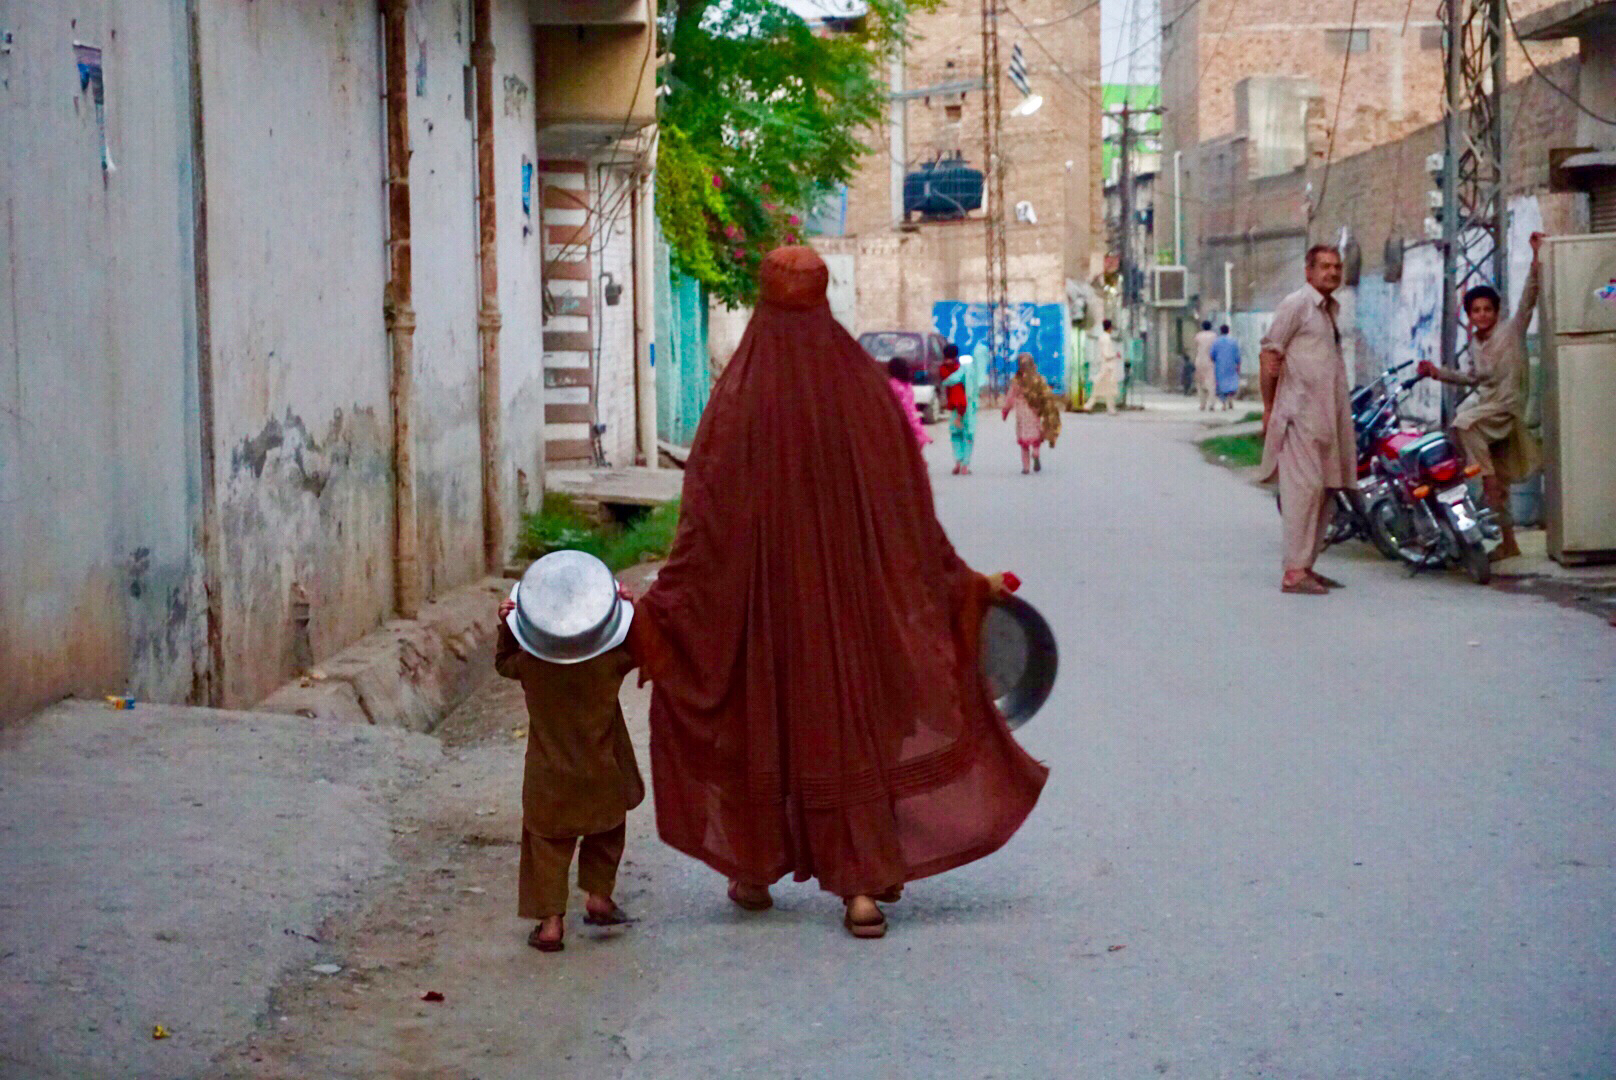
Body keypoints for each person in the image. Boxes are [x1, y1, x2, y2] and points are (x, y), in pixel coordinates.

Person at [629, 247, 1047, 940]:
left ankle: (754, 868)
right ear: (824, 303)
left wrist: (664, 606)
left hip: (763, 612)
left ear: (764, 303)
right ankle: (860, 888)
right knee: (849, 722)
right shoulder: (864, 394)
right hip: (852, 610)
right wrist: (955, 581)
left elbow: (702, 525)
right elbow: (911, 518)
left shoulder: (738, 400)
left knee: (761, 713)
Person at [496, 571, 643, 953]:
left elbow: (503, 661)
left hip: (549, 776)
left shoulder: (530, 665)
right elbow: (642, 649)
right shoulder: (609, 661)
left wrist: (509, 625)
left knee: (546, 843)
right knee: (607, 829)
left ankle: (550, 924)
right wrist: (632, 610)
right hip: (602, 770)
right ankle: (598, 897)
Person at [1418, 231, 1545, 560]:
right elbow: (1472, 378)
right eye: (1476, 310)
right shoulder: (1476, 343)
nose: (1483, 315)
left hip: (1506, 409)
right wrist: (1438, 372)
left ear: (1497, 311)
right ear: (1470, 316)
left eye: (1488, 309)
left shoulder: (1511, 330)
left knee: (1462, 423)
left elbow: (1529, 298)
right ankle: (1509, 542)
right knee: (1500, 485)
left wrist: (1536, 259)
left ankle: (1484, 476)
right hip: (1490, 413)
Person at [1259, 244, 1355, 595]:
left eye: (1336, 267)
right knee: (1304, 491)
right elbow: (1269, 355)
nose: (1332, 273)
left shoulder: (1329, 310)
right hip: (1299, 415)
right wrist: (1269, 408)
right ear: (1308, 271)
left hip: (1328, 414)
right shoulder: (1297, 304)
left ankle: (1307, 566)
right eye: (1325, 267)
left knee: (1327, 489)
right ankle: (1293, 571)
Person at [1001, 352, 1062, 474]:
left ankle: (1026, 467)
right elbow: (1046, 395)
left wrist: (1005, 410)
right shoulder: (1038, 379)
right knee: (1035, 437)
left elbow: (1010, 398)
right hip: (1034, 412)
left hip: (1021, 414)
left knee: (1024, 443)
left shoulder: (1016, 381)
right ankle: (1036, 452)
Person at [939, 340, 985, 474]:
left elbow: (946, 379)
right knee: (968, 435)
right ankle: (965, 465)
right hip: (965, 407)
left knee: (955, 435)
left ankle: (958, 461)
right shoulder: (964, 369)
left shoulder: (945, 369)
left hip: (956, 408)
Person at [886, 355, 933, 450]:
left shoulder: (892, 385)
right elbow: (909, 410)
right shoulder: (905, 386)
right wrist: (920, 432)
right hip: (907, 426)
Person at [1088, 319, 1123, 414]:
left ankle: (1090, 406)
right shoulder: (1107, 339)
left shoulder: (1102, 337)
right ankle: (1109, 409)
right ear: (1110, 328)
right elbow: (1107, 354)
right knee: (1108, 389)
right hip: (1108, 369)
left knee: (1101, 389)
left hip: (1105, 368)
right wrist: (1115, 354)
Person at [1211, 324, 1242, 409]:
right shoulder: (1234, 341)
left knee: (1221, 385)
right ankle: (1230, 399)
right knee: (1231, 383)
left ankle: (1223, 403)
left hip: (1220, 366)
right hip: (1231, 366)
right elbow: (1238, 355)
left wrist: (1215, 361)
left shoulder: (1216, 342)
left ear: (1220, 331)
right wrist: (1238, 364)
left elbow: (1212, 354)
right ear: (1228, 331)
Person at [1193, 320, 1218, 410]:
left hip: (1199, 360)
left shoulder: (1198, 336)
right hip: (1210, 361)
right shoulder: (1214, 336)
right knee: (1211, 383)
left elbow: (1196, 346)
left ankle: (1202, 404)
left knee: (1200, 383)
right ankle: (1212, 404)